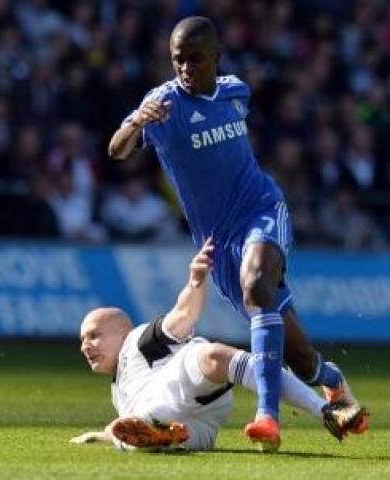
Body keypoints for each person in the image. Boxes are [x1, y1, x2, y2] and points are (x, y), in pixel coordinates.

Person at [107, 16, 367, 450]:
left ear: (216, 58)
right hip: (219, 240)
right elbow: (116, 150)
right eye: (178, 61)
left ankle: (267, 417)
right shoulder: (162, 103)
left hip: (262, 209)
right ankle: (332, 379)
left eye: (195, 59)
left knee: (256, 285)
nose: (186, 69)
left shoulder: (234, 91)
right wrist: (135, 125)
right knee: (299, 358)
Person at [70, 240, 367, 452]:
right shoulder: (118, 389)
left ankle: (326, 411)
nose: (85, 346)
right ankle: (162, 434)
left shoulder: (138, 342)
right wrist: (102, 435)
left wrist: (196, 282)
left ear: (122, 331)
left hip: (184, 382)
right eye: (83, 339)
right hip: (198, 428)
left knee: (212, 356)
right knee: (135, 435)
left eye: (94, 335)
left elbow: (183, 315)